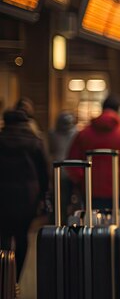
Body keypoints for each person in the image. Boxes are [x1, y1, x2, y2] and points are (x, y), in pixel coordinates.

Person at [0, 104, 49, 281]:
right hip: (27, 197)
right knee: (22, 235)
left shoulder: (1, 139)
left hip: (3, 196)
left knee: (4, 235)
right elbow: (44, 172)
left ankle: (4, 276)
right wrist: (44, 196)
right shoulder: (34, 141)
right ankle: (17, 278)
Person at [67, 95, 120, 210]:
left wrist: (82, 181)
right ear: (119, 110)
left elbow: (73, 162)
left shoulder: (84, 133)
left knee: (94, 224)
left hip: (92, 190)